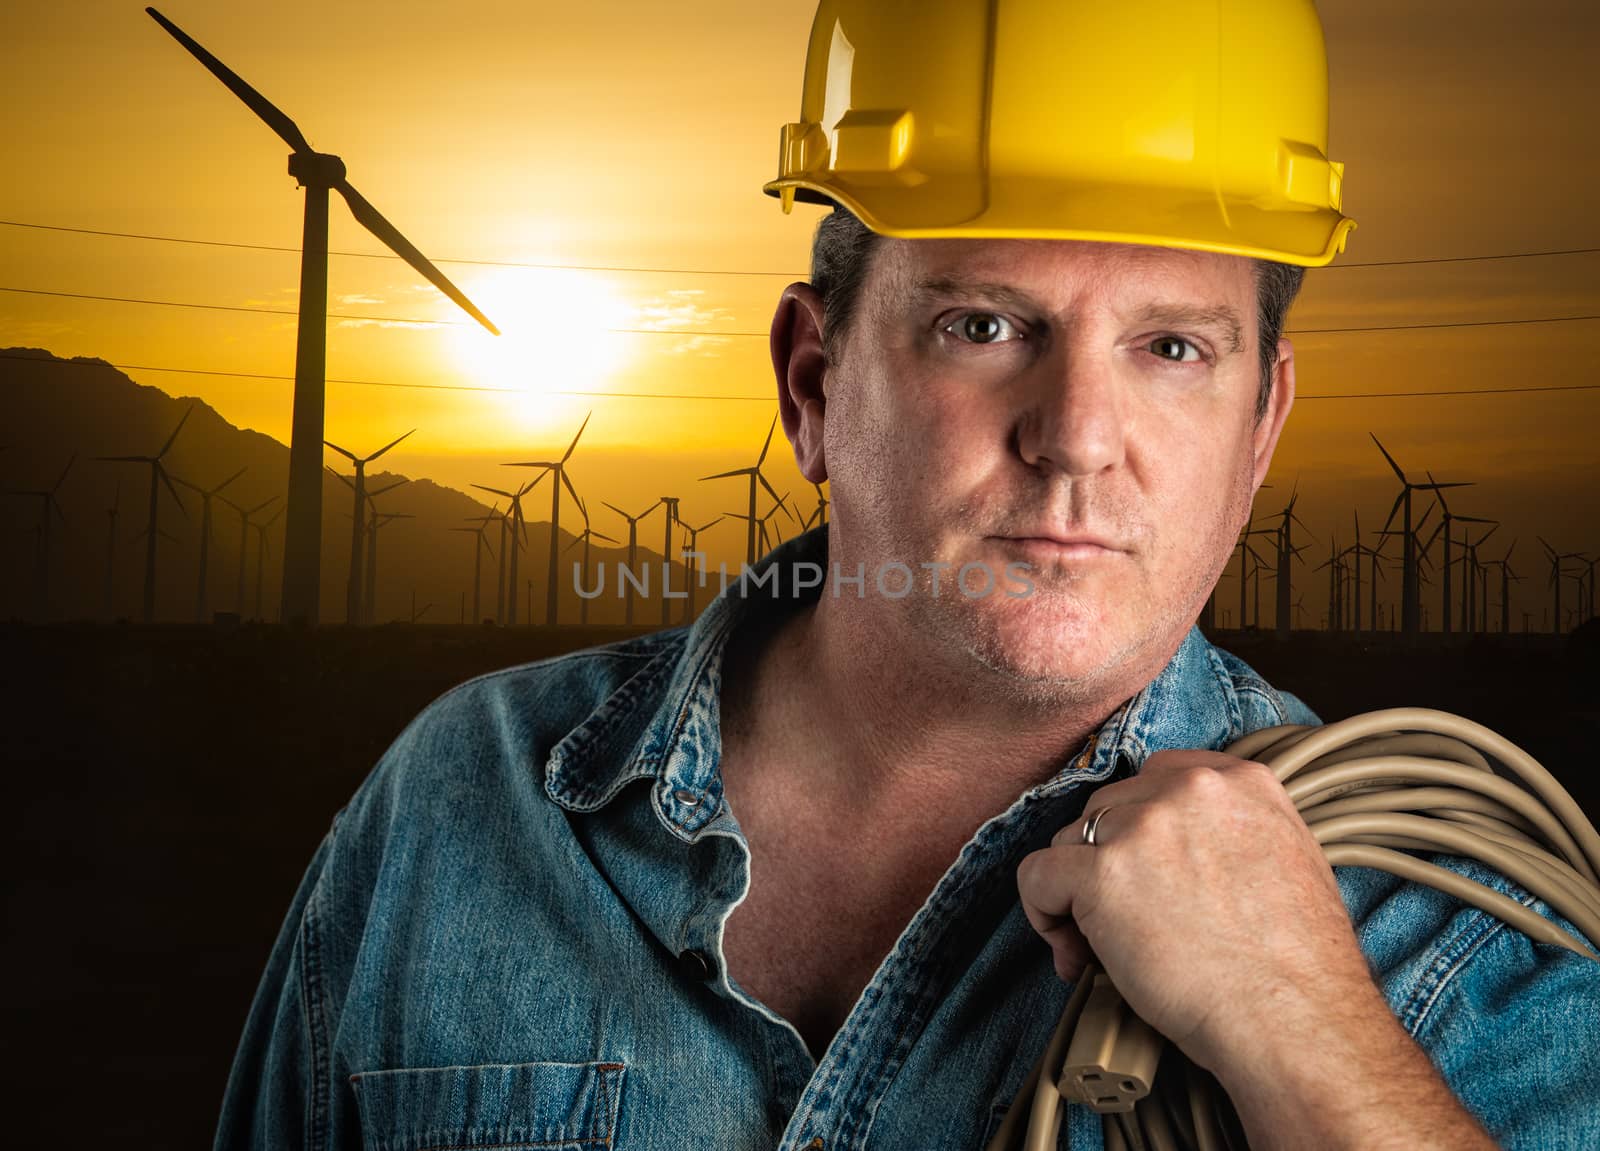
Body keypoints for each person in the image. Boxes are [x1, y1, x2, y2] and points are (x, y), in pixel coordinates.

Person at [214, 2, 1599, 1148]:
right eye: (985, 325)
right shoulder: (459, 808)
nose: (1076, 439)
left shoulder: (1439, 937)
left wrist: (1304, 1030)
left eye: (1172, 349)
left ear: (1262, 430)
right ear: (813, 384)